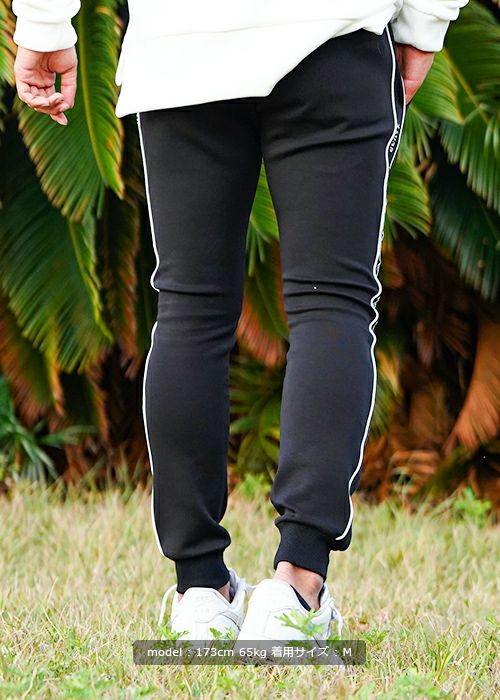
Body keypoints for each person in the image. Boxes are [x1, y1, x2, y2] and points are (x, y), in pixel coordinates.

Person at [12, 0, 469, 642]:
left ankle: (200, 592)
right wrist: (424, 24)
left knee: (190, 308)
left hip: (179, 38)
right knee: (331, 303)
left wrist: (44, 24)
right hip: (332, 34)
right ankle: (296, 590)